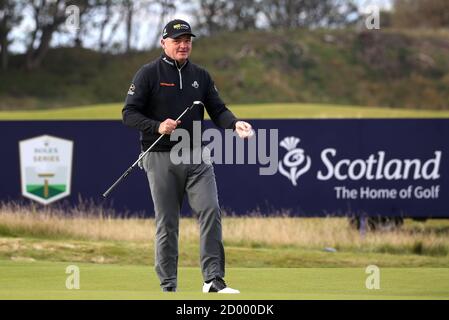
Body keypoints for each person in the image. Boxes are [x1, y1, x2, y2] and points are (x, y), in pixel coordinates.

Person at [122, 19, 253, 293]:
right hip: (159, 154)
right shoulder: (147, 74)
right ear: (163, 43)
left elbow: (218, 109)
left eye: (187, 40)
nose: (183, 45)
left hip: (195, 155)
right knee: (168, 222)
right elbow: (129, 113)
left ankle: (213, 280)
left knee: (210, 210)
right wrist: (157, 126)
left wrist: (234, 123)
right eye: (177, 40)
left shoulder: (201, 76)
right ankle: (169, 285)